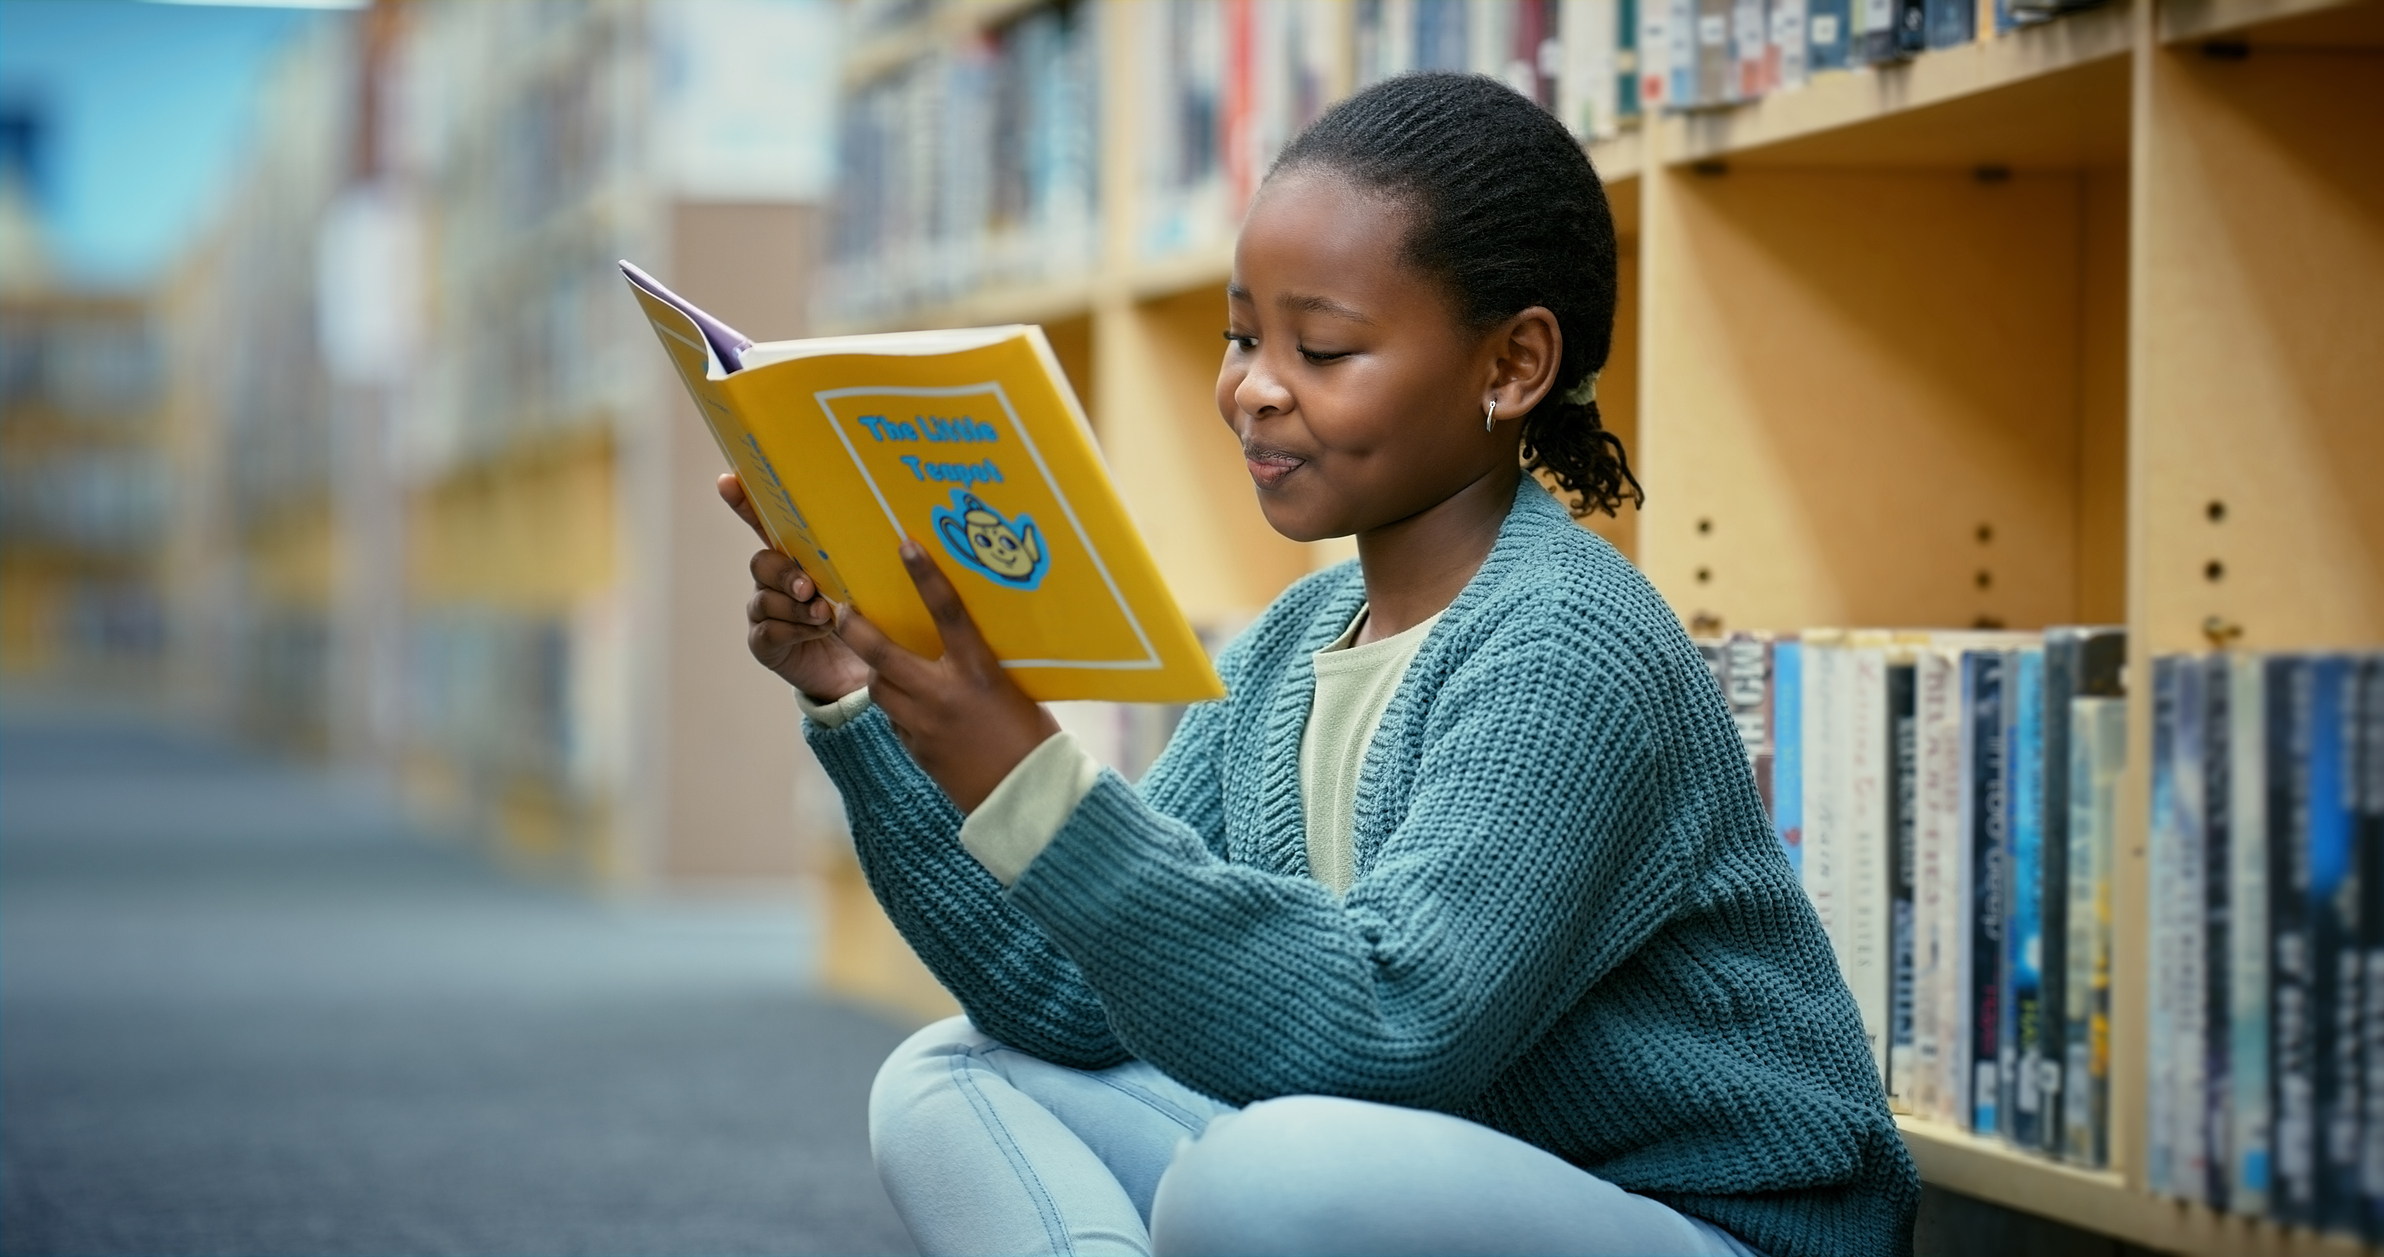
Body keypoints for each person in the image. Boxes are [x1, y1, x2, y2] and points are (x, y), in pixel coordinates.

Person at [717, 73, 1918, 1257]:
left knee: (1261, 1179)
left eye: (1323, 348)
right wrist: (861, 706)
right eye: (1242, 335)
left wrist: (1030, 780)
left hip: (1707, 1222)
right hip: (1432, 1175)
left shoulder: (1565, 645)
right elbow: (1065, 994)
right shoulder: (1291, 645)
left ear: (1509, 368)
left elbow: (1395, 1026)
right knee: (950, 1075)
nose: (1252, 388)